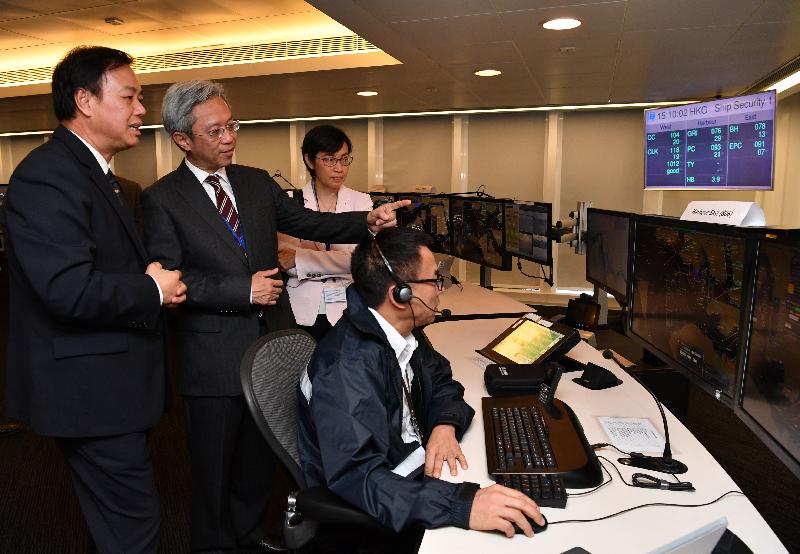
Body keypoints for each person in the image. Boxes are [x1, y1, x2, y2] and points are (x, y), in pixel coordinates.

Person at [141, 80, 408, 553]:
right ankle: (213, 545)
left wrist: (366, 221)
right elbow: (171, 278)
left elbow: (308, 223)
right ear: (183, 139)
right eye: (215, 131)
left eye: (232, 126)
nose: (229, 138)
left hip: (273, 345)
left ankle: (247, 536)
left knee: (259, 460)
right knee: (213, 468)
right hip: (213, 355)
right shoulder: (163, 198)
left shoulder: (254, 180)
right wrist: (242, 290)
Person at [1, 46, 186, 553]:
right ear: (84, 101)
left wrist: (150, 281)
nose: (141, 109)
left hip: (113, 388)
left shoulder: (98, 175)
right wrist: (151, 288)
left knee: (121, 521)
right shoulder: (48, 175)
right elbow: (66, 288)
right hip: (91, 392)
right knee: (135, 527)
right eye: (129, 97)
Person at [298, 228, 545, 550]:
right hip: (385, 500)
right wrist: (461, 505)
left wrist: (444, 425)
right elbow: (358, 475)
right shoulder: (349, 368)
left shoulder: (400, 332)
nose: (440, 290)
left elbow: (441, 381)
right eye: (434, 281)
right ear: (399, 294)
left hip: (411, 469)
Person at [277, 124, 373, 340]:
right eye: (329, 159)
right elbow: (285, 262)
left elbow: (362, 262)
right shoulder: (290, 202)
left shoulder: (362, 202)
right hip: (300, 309)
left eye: (344, 158)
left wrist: (301, 258)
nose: (339, 168)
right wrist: (339, 260)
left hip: (348, 307)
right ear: (309, 160)